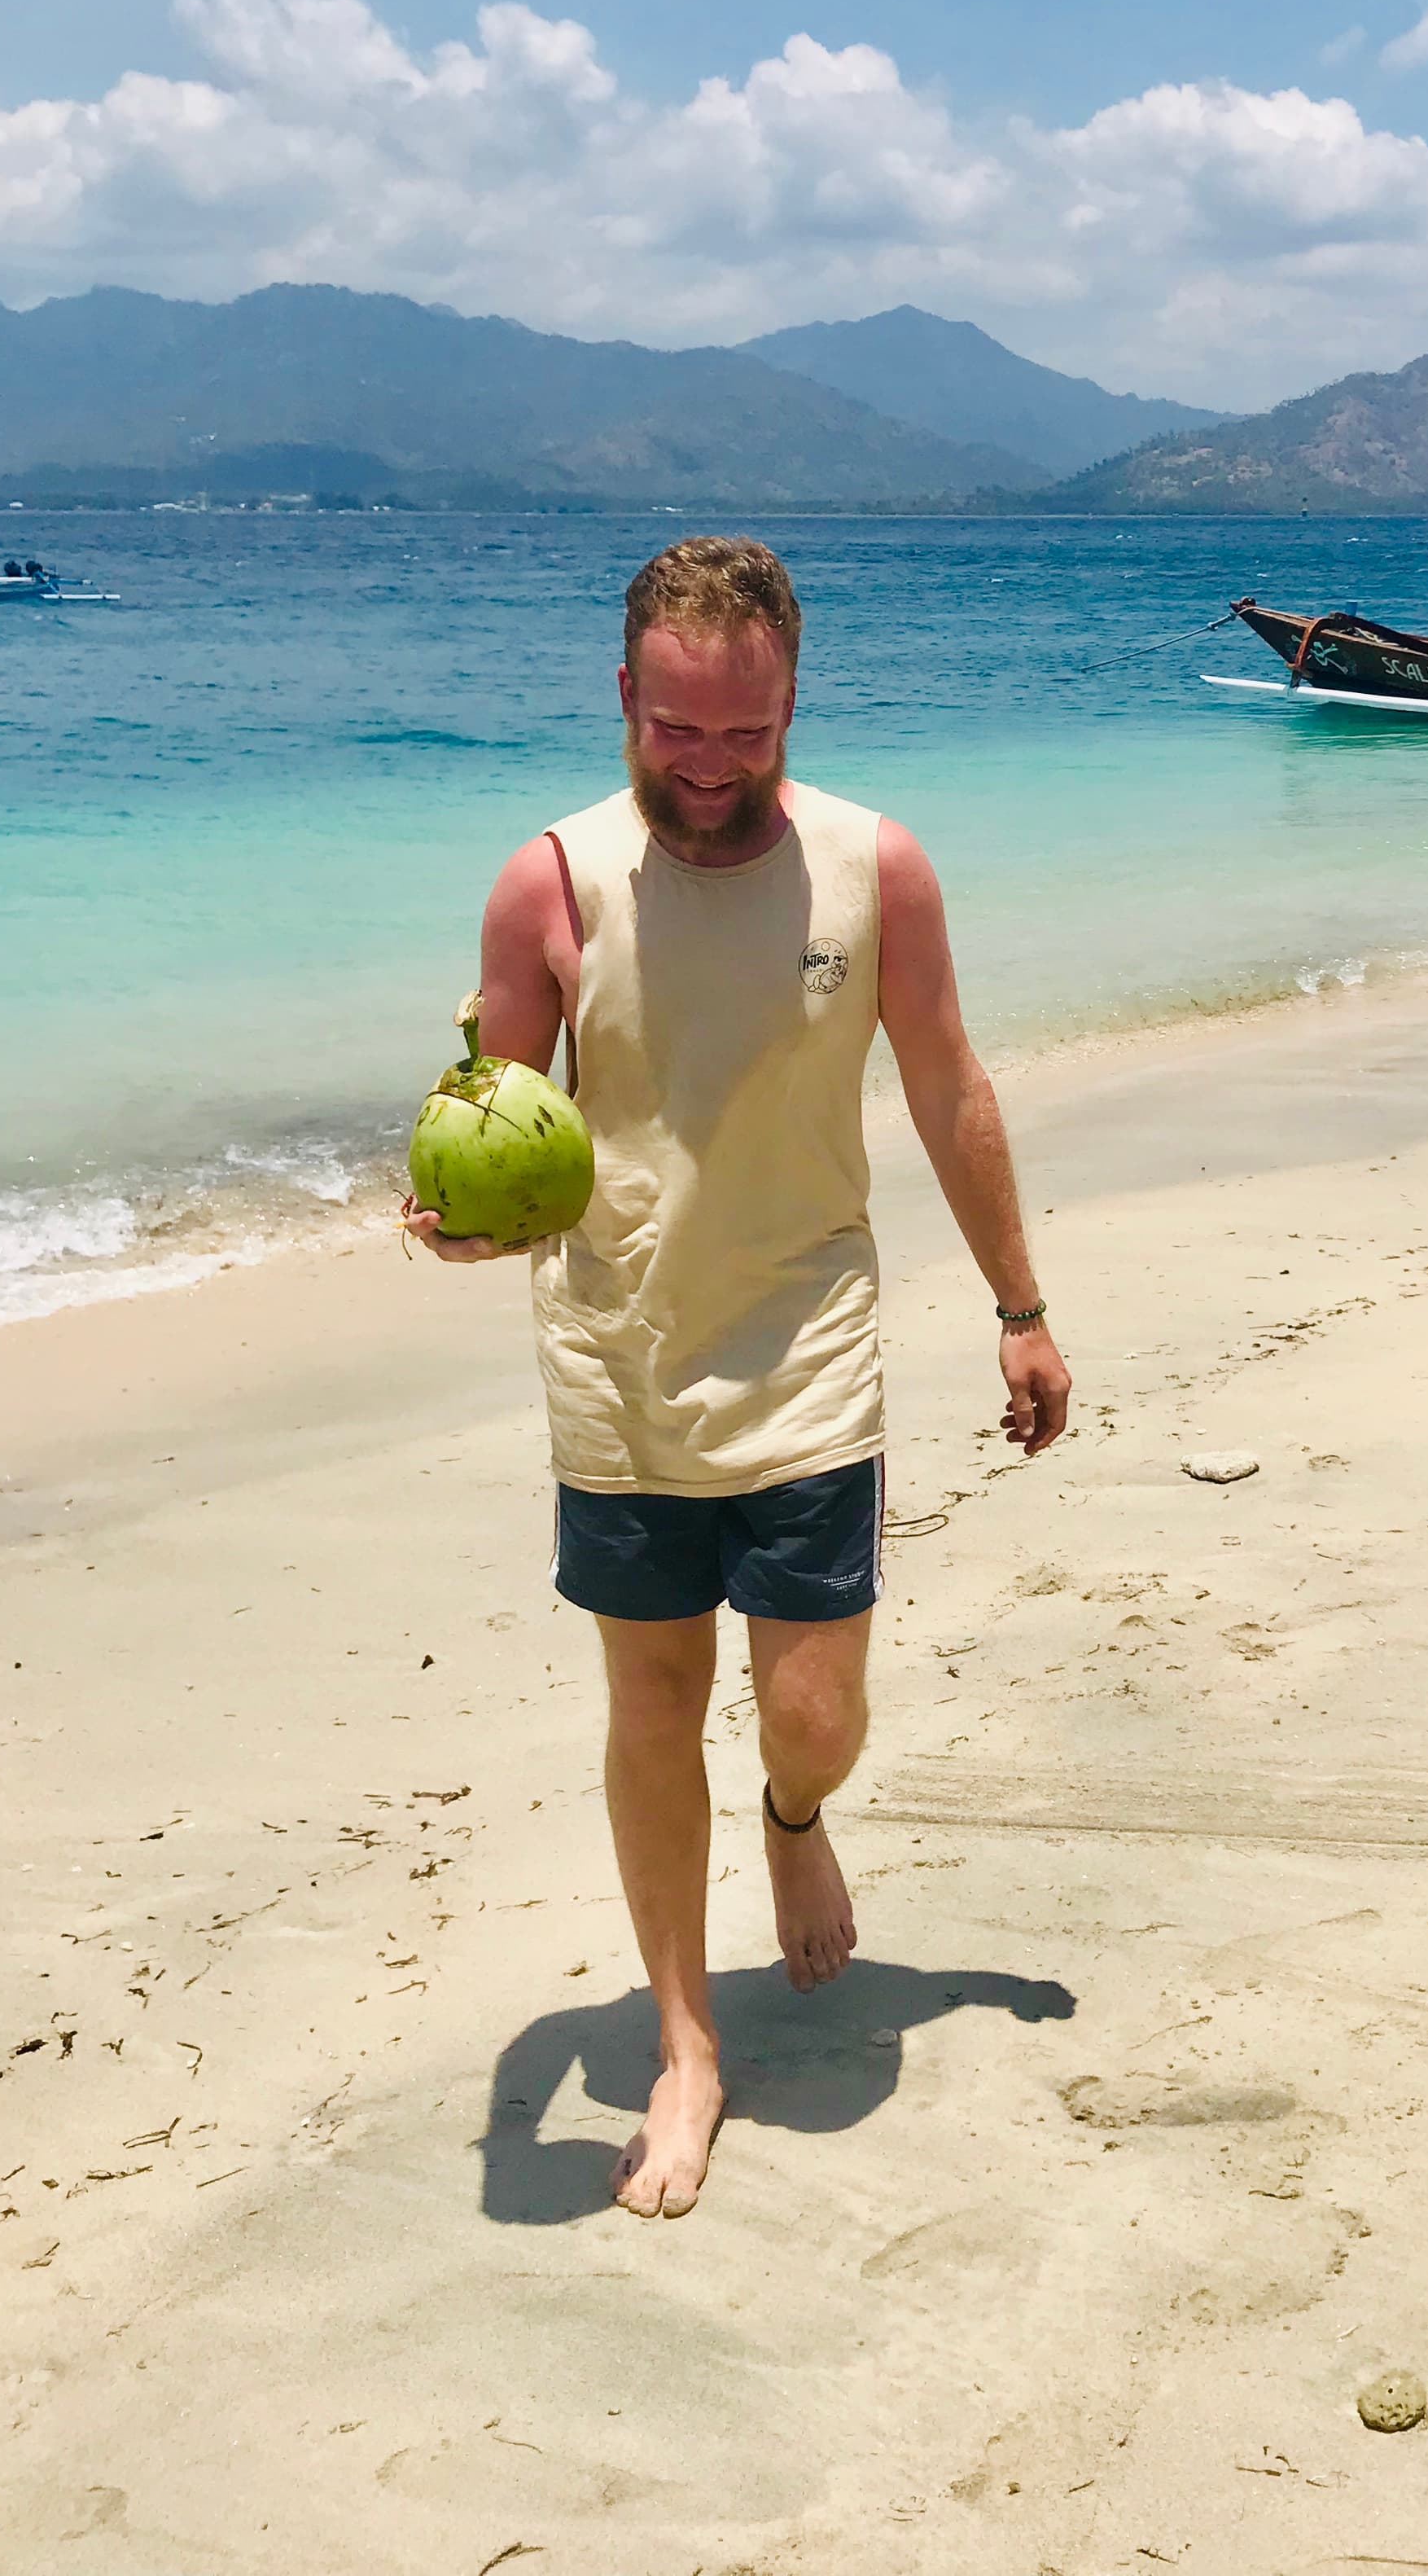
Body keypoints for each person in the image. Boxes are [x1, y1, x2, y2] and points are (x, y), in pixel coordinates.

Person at [408, 535, 1071, 2218]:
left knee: (813, 1711)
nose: (708, 769)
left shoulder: (875, 870)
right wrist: (462, 1216)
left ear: (791, 702)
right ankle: (692, 2047)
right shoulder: (548, 884)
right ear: (626, 694)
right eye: (677, 732)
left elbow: (947, 1085)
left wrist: (1019, 1303)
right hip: (619, 1357)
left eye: (746, 735)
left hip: (808, 1350)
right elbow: (492, 1105)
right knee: (648, 1703)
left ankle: (793, 1818)